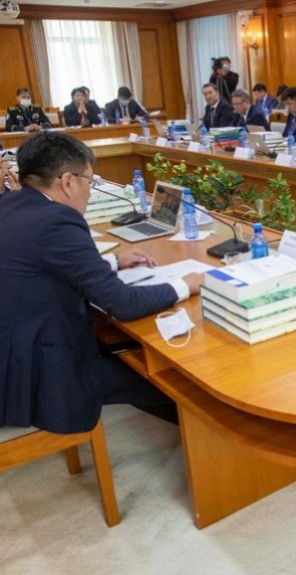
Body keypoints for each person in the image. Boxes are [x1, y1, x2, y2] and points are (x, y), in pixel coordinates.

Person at [0, 132, 203, 434]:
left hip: (14, 355)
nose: (91, 192)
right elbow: (122, 304)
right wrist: (186, 285)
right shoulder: (58, 220)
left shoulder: (11, 203)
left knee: (129, 352)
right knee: (171, 382)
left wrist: (114, 262)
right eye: (90, 181)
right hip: (41, 378)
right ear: (68, 182)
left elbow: (43, 263)